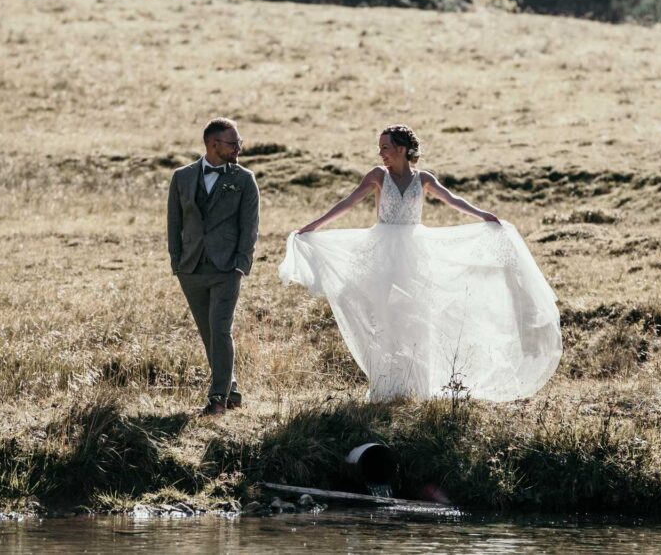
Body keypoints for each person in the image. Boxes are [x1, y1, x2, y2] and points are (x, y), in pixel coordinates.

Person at [279, 124, 561, 402]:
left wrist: (484, 216)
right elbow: (347, 203)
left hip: (415, 252)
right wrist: (313, 227)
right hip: (384, 252)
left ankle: (419, 385)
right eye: (380, 148)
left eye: (385, 148)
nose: (381, 154)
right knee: (387, 317)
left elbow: (453, 200)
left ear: (402, 149)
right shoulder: (379, 175)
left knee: (417, 315)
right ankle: (387, 386)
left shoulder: (423, 179)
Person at [167, 118, 259, 415]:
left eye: (239, 142)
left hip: (226, 268)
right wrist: (177, 262)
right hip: (191, 268)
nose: (238, 148)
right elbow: (174, 222)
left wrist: (241, 265)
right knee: (208, 332)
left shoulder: (245, 179)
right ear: (213, 144)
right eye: (233, 143)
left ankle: (217, 398)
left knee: (220, 329)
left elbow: (250, 227)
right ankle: (231, 390)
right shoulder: (182, 177)